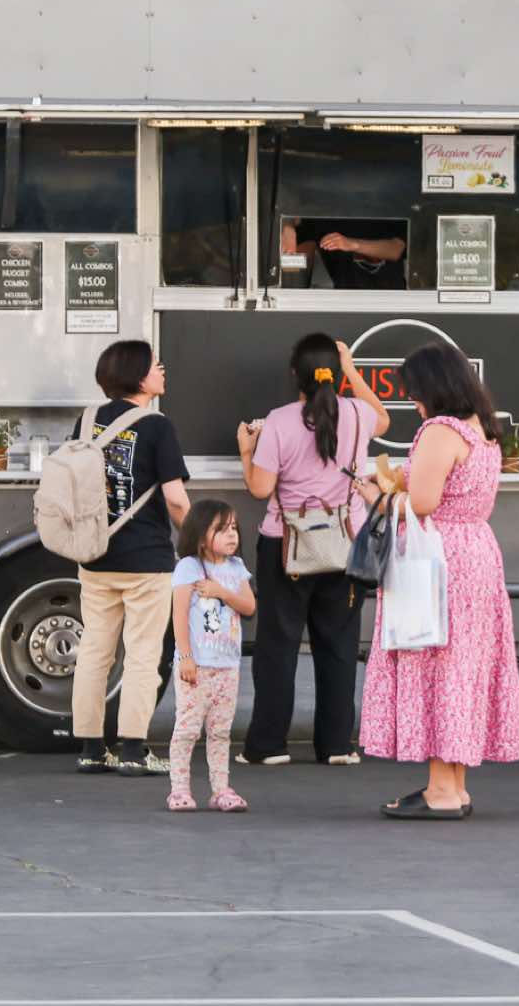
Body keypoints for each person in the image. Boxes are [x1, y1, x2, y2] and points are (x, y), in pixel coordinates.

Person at [358, 343, 519, 819]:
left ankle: (441, 791)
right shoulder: (482, 430)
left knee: (436, 664)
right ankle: (455, 785)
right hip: (478, 553)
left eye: (414, 391)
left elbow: (423, 503)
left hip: (438, 556)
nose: (413, 401)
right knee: (463, 668)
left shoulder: (439, 431)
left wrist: (375, 495)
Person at [236, 335, 391, 766]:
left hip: (286, 545)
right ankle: (337, 745)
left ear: (295, 376)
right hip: (346, 544)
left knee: (278, 647)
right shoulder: (358, 414)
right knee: (339, 646)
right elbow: (383, 418)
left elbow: (260, 488)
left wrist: (247, 451)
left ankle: (268, 746)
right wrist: (352, 370)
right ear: (336, 375)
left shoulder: (279, 421)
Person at [70, 340, 191, 778]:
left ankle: (90, 748)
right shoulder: (157, 426)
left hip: (94, 555)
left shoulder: (86, 421)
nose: (162, 370)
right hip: (146, 560)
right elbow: (175, 498)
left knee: (94, 652)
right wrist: (197, 536)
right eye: (155, 365)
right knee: (142, 655)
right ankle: (134, 750)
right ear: (139, 377)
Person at [168, 500, 257, 812]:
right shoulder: (189, 568)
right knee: (187, 729)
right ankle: (179, 789)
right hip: (198, 665)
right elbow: (179, 615)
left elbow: (249, 606)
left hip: (227, 665)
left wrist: (221, 592)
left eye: (233, 528)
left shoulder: (236, 568)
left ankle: (221, 789)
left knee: (220, 731)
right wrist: (185, 657)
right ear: (201, 536)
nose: (232, 535)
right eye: (221, 529)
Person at [281, 218, 408, 289]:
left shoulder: (387, 207)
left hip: (391, 301)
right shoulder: (324, 216)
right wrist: (288, 227)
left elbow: (396, 249)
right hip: (344, 302)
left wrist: (352, 244)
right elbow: (293, 211)